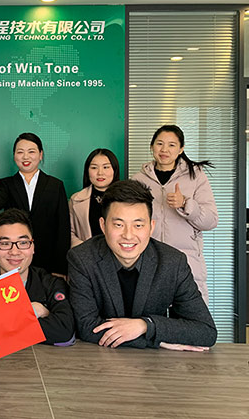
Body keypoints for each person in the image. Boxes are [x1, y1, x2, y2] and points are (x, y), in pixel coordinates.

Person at [68, 180, 217, 351]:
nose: (128, 235)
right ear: (103, 225)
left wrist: (146, 325)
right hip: (98, 359)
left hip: (155, 364)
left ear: (151, 227)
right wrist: (155, 339)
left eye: (138, 225)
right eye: (118, 225)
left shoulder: (173, 263)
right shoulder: (82, 259)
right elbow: (86, 327)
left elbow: (206, 331)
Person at [0, 209, 75, 346]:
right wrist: (35, 311)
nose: (14, 251)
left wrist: (1, 324)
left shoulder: (52, 284)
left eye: (23, 243)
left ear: (32, 247)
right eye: (5, 243)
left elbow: (64, 333)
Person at [133, 124, 217, 305]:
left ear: (181, 149)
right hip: (149, 262)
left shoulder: (196, 176)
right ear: (152, 146)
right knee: (151, 316)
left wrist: (186, 204)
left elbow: (211, 221)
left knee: (188, 316)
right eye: (159, 143)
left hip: (187, 262)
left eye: (172, 145)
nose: (164, 150)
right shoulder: (138, 180)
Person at [0, 132, 70, 275]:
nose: (25, 157)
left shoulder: (55, 185)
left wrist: (61, 269)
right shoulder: (7, 184)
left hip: (49, 261)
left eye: (31, 152)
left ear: (40, 154)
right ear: (14, 156)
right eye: (20, 152)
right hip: (16, 258)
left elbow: (63, 228)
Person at [69, 148, 120, 247]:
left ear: (114, 169)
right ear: (87, 171)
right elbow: (69, 232)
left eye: (106, 167)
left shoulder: (127, 199)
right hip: (86, 253)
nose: (100, 173)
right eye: (94, 167)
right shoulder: (75, 199)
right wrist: (86, 250)